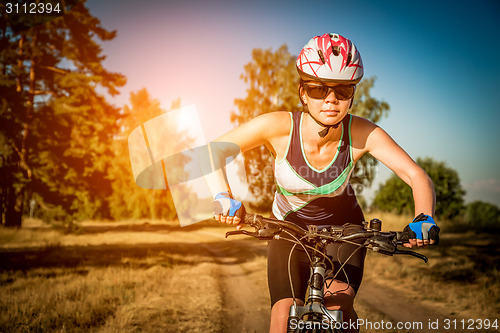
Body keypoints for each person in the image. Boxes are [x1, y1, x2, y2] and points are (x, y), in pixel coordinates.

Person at [206, 33, 439, 333]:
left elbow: (415, 175)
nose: (331, 99)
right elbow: (214, 151)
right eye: (319, 89)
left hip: (345, 231)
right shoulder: (278, 127)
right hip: (287, 229)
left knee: (338, 307)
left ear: (352, 94)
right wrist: (223, 194)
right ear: (303, 92)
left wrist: (424, 217)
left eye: (342, 91)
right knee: (282, 315)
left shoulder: (362, 133)